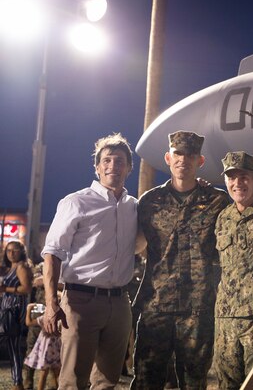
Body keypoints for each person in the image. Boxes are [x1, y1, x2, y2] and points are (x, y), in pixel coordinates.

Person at [132, 131, 229, 389]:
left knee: (193, 381)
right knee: (145, 379)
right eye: (178, 154)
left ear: (200, 161)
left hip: (198, 307)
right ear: (168, 157)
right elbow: (131, 242)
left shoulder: (218, 201)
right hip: (156, 304)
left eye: (190, 155)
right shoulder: (149, 202)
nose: (183, 159)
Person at [41, 133, 137, 389]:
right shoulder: (76, 202)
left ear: (129, 167)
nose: (112, 166)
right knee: (73, 381)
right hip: (81, 303)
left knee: (107, 382)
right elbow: (52, 253)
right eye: (106, 160)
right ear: (97, 168)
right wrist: (51, 303)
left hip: (119, 304)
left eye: (119, 161)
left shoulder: (135, 207)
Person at [214, 151, 253, 388]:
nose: (237, 183)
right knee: (226, 385)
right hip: (225, 321)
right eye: (232, 177)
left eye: (244, 177)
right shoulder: (222, 218)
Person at [1, 241, 32, 390]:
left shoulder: (22, 266)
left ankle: (17, 382)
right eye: (8, 251)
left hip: (15, 309)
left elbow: (26, 288)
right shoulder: (9, 267)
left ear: (21, 251)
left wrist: (5, 288)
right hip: (6, 307)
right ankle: (17, 381)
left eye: (15, 250)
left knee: (13, 345)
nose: (11, 253)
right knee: (10, 345)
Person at [24, 303, 61, 390]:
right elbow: (29, 323)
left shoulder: (45, 318)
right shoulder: (54, 318)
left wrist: (29, 309)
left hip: (48, 348)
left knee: (48, 373)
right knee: (55, 373)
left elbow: (28, 322)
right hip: (53, 348)